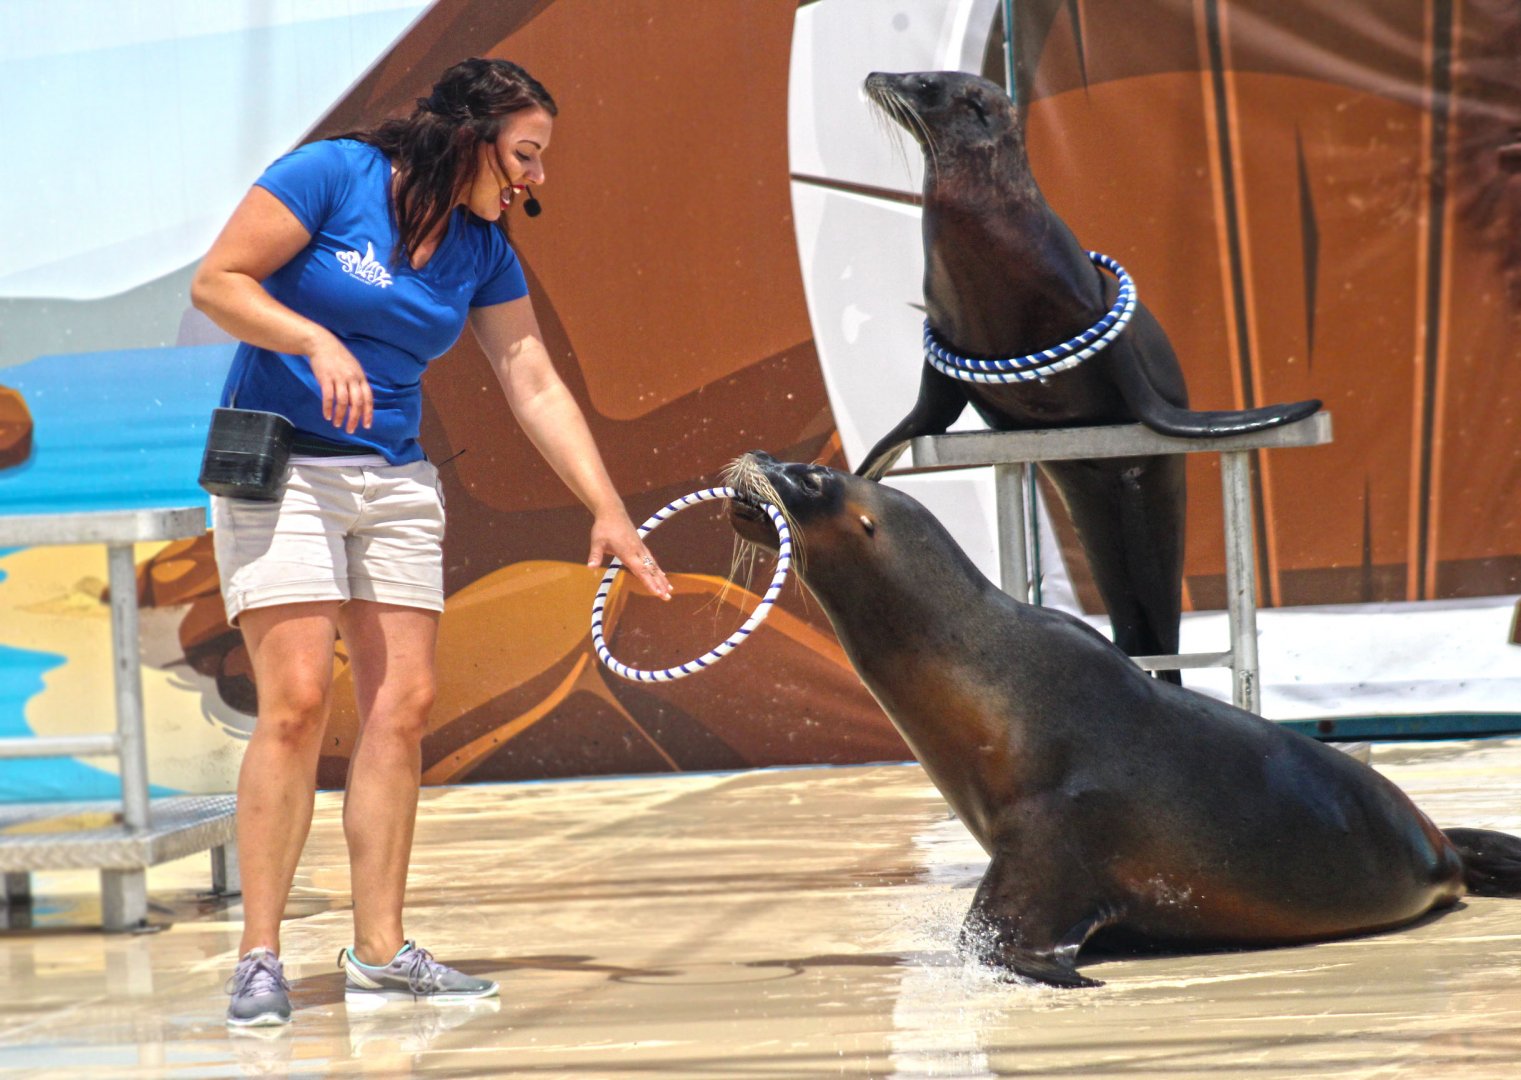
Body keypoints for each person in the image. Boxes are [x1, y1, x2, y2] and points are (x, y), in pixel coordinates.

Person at [191, 57, 673, 1029]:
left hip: (395, 481)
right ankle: (259, 956)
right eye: (527, 154)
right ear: (472, 132)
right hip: (281, 465)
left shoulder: (484, 248)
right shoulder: (333, 176)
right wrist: (313, 341)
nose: (536, 178)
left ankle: (379, 948)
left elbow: (531, 380)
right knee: (295, 699)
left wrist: (608, 508)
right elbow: (218, 282)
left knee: (403, 703)